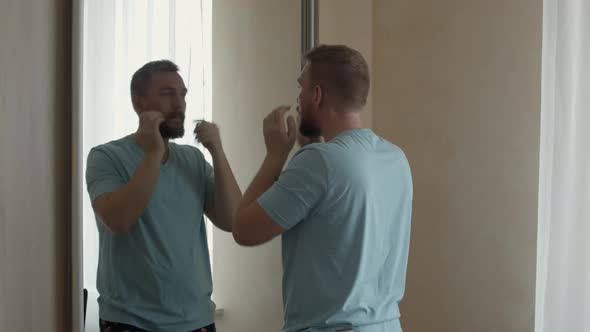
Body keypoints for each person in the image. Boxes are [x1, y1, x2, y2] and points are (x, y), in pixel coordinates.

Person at [232, 45, 413, 332]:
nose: (298, 100)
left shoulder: (319, 162)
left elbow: (243, 229)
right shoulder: (395, 158)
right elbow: (340, 218)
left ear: (316, 95)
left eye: (301, 89)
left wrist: (275, 155)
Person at [86, 60, 241, 332]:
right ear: (138, 103)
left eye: (183, 94)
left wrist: (216, 150)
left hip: (197, 319)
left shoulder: (192, 159)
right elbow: (118, 220)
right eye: (168, 94)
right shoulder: (106, 156)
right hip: (129, 321)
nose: (179, 104)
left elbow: (232, 220)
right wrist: (154, 153)